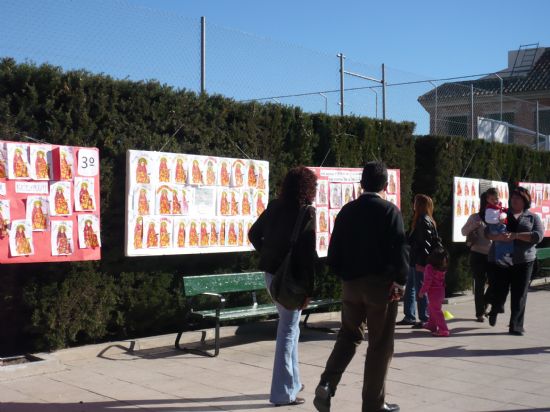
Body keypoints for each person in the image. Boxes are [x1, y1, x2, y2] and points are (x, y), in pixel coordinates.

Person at [313, 162, 409, 412]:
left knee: (348, 336)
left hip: (351, 285)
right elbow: (400, 250)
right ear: (386, 185)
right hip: (381, 287)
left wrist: (345, 276)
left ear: (361, 183)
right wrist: (400, 280)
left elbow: (333, 254)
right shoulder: (390, 211)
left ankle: (326, 383)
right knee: (380, 344)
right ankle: (373, 404)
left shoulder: (347, 211)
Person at [248, 166, 317, 407]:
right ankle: (282, 393)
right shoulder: (306, 212)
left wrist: (270, 254)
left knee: (291, 328)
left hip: (271, 274)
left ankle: (293, 382)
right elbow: (308, 254)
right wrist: (309, 289)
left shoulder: (275, 206)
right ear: (308, 188)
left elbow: (254, 234)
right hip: (291, 280)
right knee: (288, 331)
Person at [486, 187, 544, 336]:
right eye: (512, 198)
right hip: (501, 259)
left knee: (519, 294)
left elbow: (538, 236)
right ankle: (495, 309)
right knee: (499, 290)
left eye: (517, 198)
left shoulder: (532, 218)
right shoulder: (502, 214)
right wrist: (498, 237)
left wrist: (516, 235)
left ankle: (516, 326)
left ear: (525, 201)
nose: (514, 200)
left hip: (524, 261)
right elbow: (488, 232)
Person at [396, 194, 437, 328]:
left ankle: (424, 318)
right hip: (414, 260)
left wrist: (422, 263)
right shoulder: (424, 219)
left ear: (419, 205)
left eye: (415, 202)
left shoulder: (423, 220)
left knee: (420, 290)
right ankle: (410, 316)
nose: (413, 204)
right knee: (411, 289)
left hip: (419, 262)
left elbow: (424, 244)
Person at [461, 189, 495, 322]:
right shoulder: (475, 217)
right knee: (479, 284)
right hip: (478, 255)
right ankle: (479, 313)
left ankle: (484, 302)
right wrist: (473, 226)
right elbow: (463, 231)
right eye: (491, 200)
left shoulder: (498, 217)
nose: (494, 202)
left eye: (495, 199)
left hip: (493, 255)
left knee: (496, 283)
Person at [419, 247, 450, 337]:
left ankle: (443, 330)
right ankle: (431, 325)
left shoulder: (429, 267)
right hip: (441, 292)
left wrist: (422, 292)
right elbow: (433, 275)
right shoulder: (442, 267)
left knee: (436, 311)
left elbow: (427, 281)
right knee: (432, 309)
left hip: (433, 293)